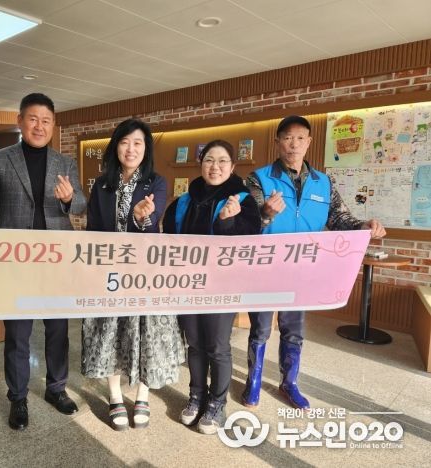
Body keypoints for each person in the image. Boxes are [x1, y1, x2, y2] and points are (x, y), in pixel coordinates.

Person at [243, 115, 386, 410]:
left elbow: (340, 219)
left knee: (294, 330)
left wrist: (364, 226)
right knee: (260, 329)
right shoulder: (258, 178)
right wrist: (265, 213)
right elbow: (246, 225)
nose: (293, 144)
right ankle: (253, 381)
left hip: (302, 268)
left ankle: (289, 383)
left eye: (300, 138)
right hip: (265, 268)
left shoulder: (323, 182)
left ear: (309, 142)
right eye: (287, 138)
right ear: (277, 142)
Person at [0, 93, 87, 430]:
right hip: (15, 261)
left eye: (46, 121)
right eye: (33, 119)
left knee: (58, 330)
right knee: (17, 333)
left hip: (56, 260)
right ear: (20, 121)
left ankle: (57, 388)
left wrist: (70, 199)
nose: (39, 126)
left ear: (53, 125)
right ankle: (18, 397)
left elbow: (81, 205)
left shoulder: (65, 162)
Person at [81, 119, 184, 431]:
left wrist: (142, 218)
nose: (131, 149)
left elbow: (151, 224)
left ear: (146, 148)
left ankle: (142, 395)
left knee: (144, 331)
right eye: (125, 142)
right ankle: (115, 396)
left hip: (144, 273)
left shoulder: (156, 182)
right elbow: (93, 228)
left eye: (138, 143)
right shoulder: (102, 184)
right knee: (110, 332)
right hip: (108, 272)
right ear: (116, 147)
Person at [162, 139, 261, 434]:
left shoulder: (242, 201)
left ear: (232, 166)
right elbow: (168, 239)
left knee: (217, 346)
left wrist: (227, 222)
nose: (214, 167)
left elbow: (249, 243)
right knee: (194, 343)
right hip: (188, 284)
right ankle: (196, 396)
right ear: (200, 164)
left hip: (223, 286)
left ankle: (217, 403)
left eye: (222, 161)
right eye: (208, 160)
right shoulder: (183, 201)